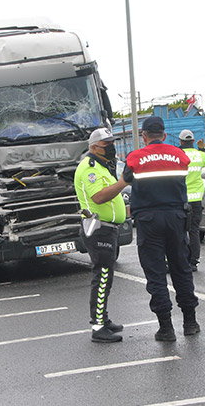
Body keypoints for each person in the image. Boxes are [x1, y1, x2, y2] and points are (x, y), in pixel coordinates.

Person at [122, 116, 200, 341]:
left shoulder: (135, 157)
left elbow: (126, 178)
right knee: (181, 269)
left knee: (155, 273)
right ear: (164, 135)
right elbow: (184, 171)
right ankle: (190, 322)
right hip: (176, 217)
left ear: (144, 136)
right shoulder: (179, 155)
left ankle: (166, 327)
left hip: (148, 220)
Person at [74, 127, 129, 343]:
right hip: (98, 228)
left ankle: (103, 319)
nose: (111, 147)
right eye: (107, 144)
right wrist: (123, 182)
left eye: (111, 142)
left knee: (106, 276)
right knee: (102, 276)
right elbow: (98, 197)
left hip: (107, 228)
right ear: (94, 147)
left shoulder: (102, 165)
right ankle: (98, 327)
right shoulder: (90, 168)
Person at [179, 129, 205, 271]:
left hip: (181, 199)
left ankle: (181, 260)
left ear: (180, 141)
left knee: (180, 231)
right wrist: (201, 147)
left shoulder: (178, 155)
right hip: (196, 199)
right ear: (192, 141)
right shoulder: (200, 155)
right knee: (194, 231)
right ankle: (194, 261)